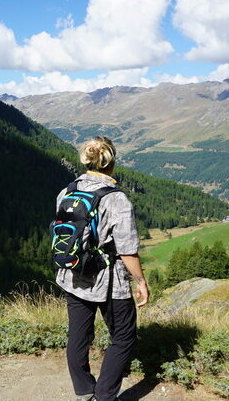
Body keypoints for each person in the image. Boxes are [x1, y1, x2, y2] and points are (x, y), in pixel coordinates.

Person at [55, 136, 149, 401]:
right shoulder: (116, 199)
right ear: (111, 162)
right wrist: (140, 282)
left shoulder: (67, 191)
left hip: (73, 273)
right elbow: (127, 250)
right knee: (124, 336)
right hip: (108, 280)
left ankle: (84, 390)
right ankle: (105, 396)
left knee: (78, 334)